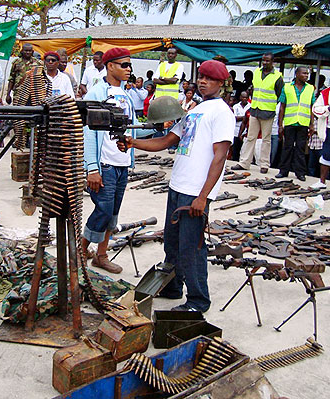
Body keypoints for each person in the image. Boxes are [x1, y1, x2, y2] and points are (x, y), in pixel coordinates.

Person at [118, 60, 234, 312]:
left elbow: (220, 156)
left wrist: (204, 196)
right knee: (172, 243)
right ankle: (173, 286)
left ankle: (198, 300)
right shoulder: (193, 110)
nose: (203, 82)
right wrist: (132, 143)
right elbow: (167, 141)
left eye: (210, 79)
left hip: (195, 192)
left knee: (192, 248)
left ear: (222, 84)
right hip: (178, 186)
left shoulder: (222, 112)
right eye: (201, 77)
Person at [80, 47, 154, 274]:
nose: (129, 69)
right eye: (124, 65)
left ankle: (101, 256)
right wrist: (92, 168)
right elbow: (88, 133)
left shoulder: (128, 96)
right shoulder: (96, 93)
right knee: (103, 209)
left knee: (113, 213)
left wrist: (155, 129)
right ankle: (81, 251)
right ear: (109, 65)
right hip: (104, 164)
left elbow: (131, 130)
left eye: (130, 65)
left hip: (122, 164)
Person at [232, 53, 283, 174]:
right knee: (250, 137)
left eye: (267, 61)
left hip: (268, 111)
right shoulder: (257, 72)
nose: (265, 63)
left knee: (266, 139)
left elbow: (280, 94)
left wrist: (272, 107)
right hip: (255, 109)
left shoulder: (277, 76)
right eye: (263, 60)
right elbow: (254, 89)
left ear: (273, 62)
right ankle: (244, 162)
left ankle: (264, 164)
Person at [276, 66, 315, 181]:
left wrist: (312, 124)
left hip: (303, 123)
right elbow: (282, 107)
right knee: (287, 147)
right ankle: (283, 171)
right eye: (304, 73)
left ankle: (300, 172)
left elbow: (311, 107)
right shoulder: (287, 87)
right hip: (290, 122)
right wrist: (280, 124)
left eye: (307, 74)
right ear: (297, 74)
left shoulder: (310, 88)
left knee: (300, 148)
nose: (306, 76)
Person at [232, 91, 250, 162]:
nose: (244, 99)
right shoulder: (236, 106)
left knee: (243, 150)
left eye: (246, 97)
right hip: (236, 131)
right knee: (235, 149)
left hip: (245, 131)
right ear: (240, 97)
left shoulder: (251, 106)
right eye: (243, 97)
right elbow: (234, 118)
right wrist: (245, 117)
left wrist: (242, 118)